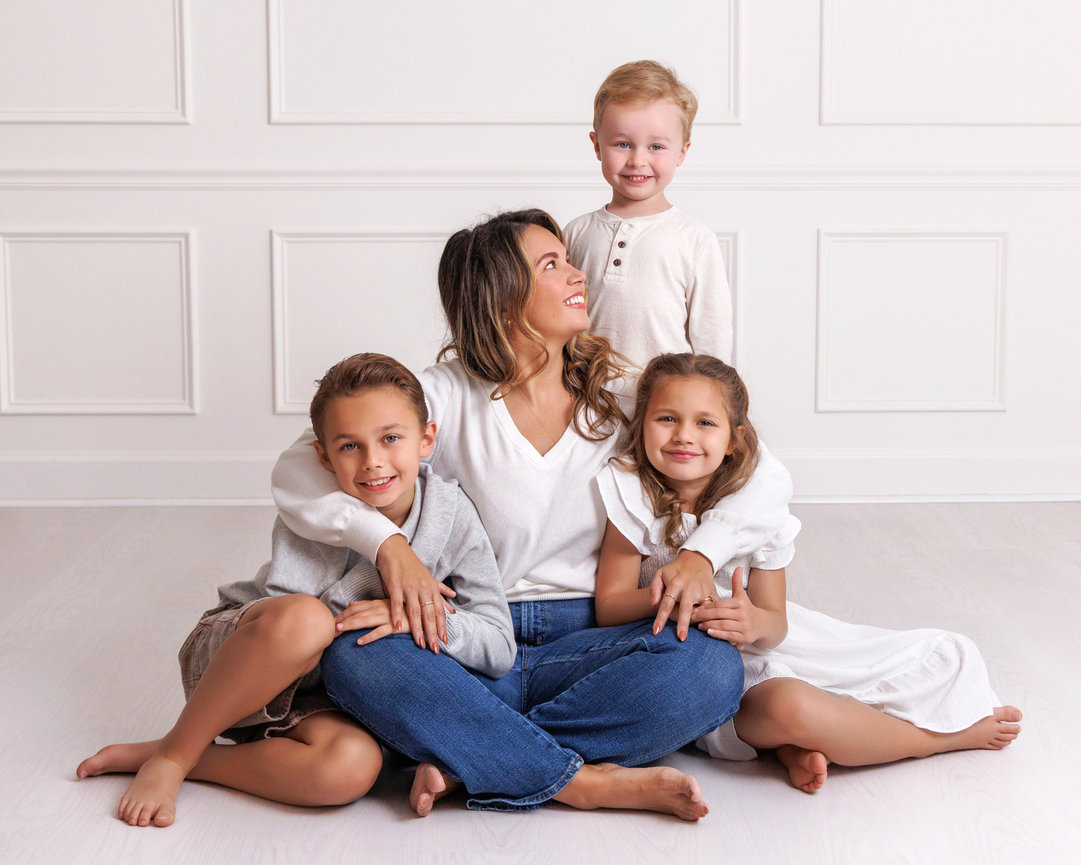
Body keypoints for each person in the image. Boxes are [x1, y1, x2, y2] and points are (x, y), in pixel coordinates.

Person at [271, 209, 795, 819]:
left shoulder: (624, 393)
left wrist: (705, 550)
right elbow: (295, 470)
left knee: (708, 667)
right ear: (502, 300)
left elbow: (764, 471)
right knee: (355, 652)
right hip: (458, 633)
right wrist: (388, 545)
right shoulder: (437, 394)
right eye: (553, 264)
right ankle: (577, 781)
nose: (579, 274)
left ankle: (472, 757)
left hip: (596, 639)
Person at [76, 352, 515, 826]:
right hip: (247, 661)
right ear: (323, 455)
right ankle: (173, 758)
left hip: (328, 696)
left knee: (351, 771)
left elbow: (499, 645)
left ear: (426, 439)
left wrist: (412, 617)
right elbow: (294, 632)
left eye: (391, 439)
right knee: (310, 621)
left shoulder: (453, 515)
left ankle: (187, 755)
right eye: (350, 446)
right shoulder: (320, 508)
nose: (373, 463)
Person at [595, 353, 1023, 793]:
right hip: (695, 678)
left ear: (734, 441)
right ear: (641, 423)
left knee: (915, 664)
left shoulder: (756, 510)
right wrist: (678, 598)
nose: (684, 435)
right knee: (791, 711)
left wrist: (753, 621)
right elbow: (607, 607)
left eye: (705, 423)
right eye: (667, 418)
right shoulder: (634, 498)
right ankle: (926, 742)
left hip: (759, 663)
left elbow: (775, 624)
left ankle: (910, 739)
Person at [563, 59, 732, 382]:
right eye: (622, 144)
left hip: (662, 406)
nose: (637, 160)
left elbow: (711, 336)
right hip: (585, 399)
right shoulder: (577, 233)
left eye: (656, 146)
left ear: (682, 152)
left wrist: (707, 400)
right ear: (597, 145)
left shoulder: (693, 238)